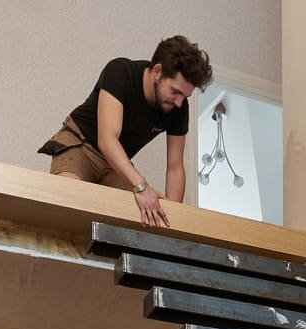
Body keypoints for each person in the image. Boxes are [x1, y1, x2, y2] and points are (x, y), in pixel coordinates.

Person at [38, 35, 213, 228]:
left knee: (148, 213)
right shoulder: (121, 72)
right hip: (81, 145)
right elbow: (107, 139)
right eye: (176, 92)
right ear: (158, 72)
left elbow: (175, 166)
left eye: (185, 96)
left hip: (114, 163)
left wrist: (172, 218)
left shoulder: (179, 107)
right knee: (69, 202)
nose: (179, 102)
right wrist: (141, 187)